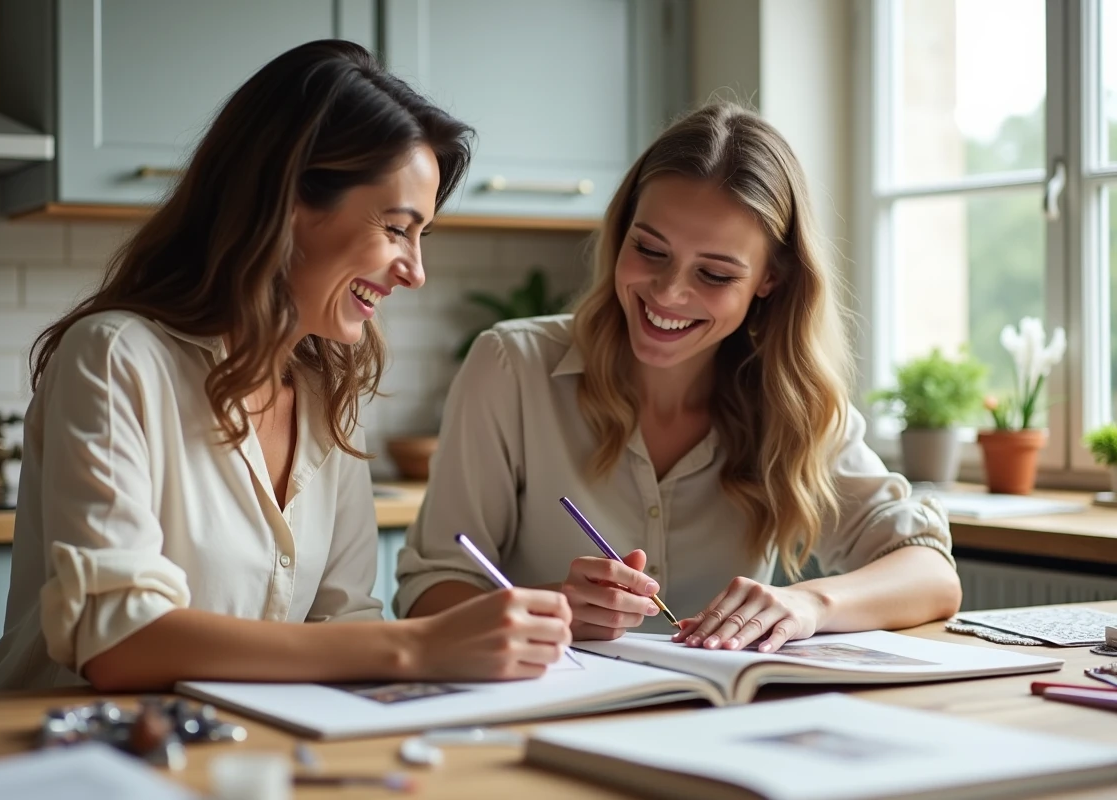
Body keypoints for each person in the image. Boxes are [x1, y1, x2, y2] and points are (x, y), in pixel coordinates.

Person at [0, 40, 571, 693]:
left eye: (421, 236)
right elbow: (120, 641)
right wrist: (418, 645)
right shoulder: (116, 357)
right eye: (397, 228)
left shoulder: (331, 392)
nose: (416, 271)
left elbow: (343, 620)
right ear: (290, 204)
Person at [395, 101, 962, 653]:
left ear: (770, 278)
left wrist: (810, 604)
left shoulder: (792, 403)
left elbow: (931, 573)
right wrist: (554, 605)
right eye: (649, 250)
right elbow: (425, 595)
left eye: (714, 274)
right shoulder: (511, 367)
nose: (668, 294)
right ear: (622, 233)